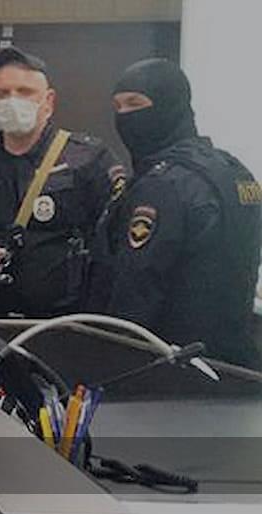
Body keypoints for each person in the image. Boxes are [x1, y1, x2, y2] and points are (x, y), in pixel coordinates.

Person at [0, 47, 124, 317]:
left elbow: (116, 242)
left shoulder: (88, 159)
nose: (13, 100)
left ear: (49, 101)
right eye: (2, 93)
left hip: (62, 321)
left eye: (25, 92)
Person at [89, 59, 261, 368]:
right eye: (118, 106)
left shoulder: (162, 185)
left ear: (171, 103)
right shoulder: (236, 173)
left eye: (135, 103)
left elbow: (137, 293)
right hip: (234, 364)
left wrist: (104, 362)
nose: (124, 116)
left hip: (169, 367)